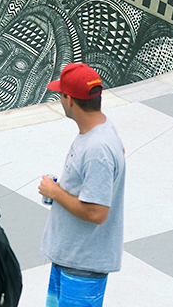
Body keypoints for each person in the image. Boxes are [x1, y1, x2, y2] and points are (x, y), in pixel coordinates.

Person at [38, 63, 125, 307]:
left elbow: (97, 212)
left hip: (82, 266)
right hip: (71, 258)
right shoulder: (100, 132)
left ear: (70, 100)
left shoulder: (97, 148)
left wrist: (55, 192)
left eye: (61, 95)